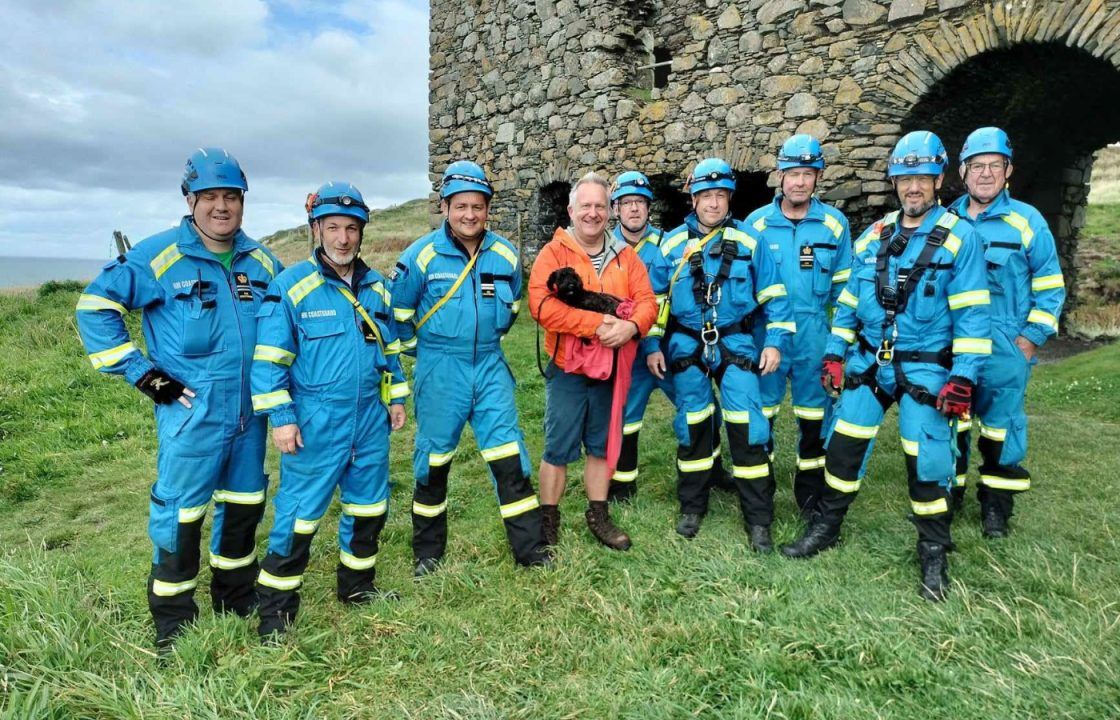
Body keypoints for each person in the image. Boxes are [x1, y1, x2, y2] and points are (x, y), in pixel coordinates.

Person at [75, 147, 282, 651]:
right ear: (188, 199)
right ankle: (173, 620)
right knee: (181, 515)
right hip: (191, 415)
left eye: (231, 196)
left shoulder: (263, 261)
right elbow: (94, 307)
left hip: (249, 417)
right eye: (209, 196)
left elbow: (284, 327)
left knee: (245, 505)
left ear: (242, 202)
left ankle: (235, 596)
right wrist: (147, 378)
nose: (221, 207)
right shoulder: (158, 256)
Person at [782, 131, 991, 602]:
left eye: (921, 178)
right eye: (904, 179)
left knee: (928, 459)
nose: (913, 188)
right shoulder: (876, 235)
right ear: (894, 182)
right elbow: (852, 301)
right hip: (870, 362)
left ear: (938, 179)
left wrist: (962, 378)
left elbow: (975, 315)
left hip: (927, 367)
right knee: (843, 447)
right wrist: (835, 352)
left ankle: (933, 552)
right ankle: (827, 527)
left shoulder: (962, 239)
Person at [251, 181, 408, 640]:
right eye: (333, 227)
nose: (343, 238)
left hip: (369, 420)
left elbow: (390, 350)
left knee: (369, 506)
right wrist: (281, 418)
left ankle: (357, 588)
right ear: (317, 228)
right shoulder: (291, 287)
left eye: (352, 228)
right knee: (299, 515)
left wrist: (396, 396)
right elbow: (268, 363)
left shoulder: (377, 287)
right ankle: (275, 613)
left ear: (362, 232)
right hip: (316, 420)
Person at [391, 161, 549, 577]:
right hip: (441, 368)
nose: (470, 215)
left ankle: (530, 550)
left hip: (490, 365)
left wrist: (484, 340)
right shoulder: (420, 256)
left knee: (509, 454)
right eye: (461, 205)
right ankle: (428, 554)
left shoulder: (504, 253)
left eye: (478, 206)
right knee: (435, 461)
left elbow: (512, 308)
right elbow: (398, 316)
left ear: (487, 208)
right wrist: (424, 355)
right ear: (445, 206)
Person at [645, 157, 795, 550]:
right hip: (686, 345)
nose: (713, 203)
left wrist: (775, 342)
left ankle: (759, 519)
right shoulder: (673, 245)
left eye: (720, 196)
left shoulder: (749, 242)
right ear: (693, 200)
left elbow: (775, 298)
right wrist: (651, 345)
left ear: (730, 198)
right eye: (706, 196)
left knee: (749, 427)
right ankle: (692, 505)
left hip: (737, 344)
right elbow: (655, 301)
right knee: (692, 424)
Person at [528, 172, 658, 550]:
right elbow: (540, 305)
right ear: (571, 210)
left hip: (609, 367)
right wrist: (600, 323)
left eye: (600, 206)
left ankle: (598, 515)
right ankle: (548, 519)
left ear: (609, 212)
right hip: (567, 365)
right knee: (557, 445)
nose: (593, 213)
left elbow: (648, 302)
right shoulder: (553, 253)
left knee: (601, 444)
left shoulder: (626, 256)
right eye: (585, 205)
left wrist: (632, 327)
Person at [948, 127, 1066, 538]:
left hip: (1006, 344)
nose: (985, 174)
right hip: (957, 342)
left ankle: (996, 509)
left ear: (1008, 170)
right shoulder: (947, 219)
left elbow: (1051, 284)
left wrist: (1030, 338)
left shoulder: (1027, 220)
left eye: (993, 166)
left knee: (1002, 427)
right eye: (976, 166)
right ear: (963, 172)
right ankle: (950, 494)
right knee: (952, 421)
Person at [745, 135, 853, 519]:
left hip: (813, 334)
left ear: (818, 176)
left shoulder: (834, 225)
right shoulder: (755, 223)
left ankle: (809, 494)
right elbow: (743, 286)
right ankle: (763, 488)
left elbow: (845, 291)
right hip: (766, 335)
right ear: (779, 175)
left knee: (814, 416)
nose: (799, 182)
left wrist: (842, 344)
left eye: (807, 174)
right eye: (792, 173)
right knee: (764, 414)